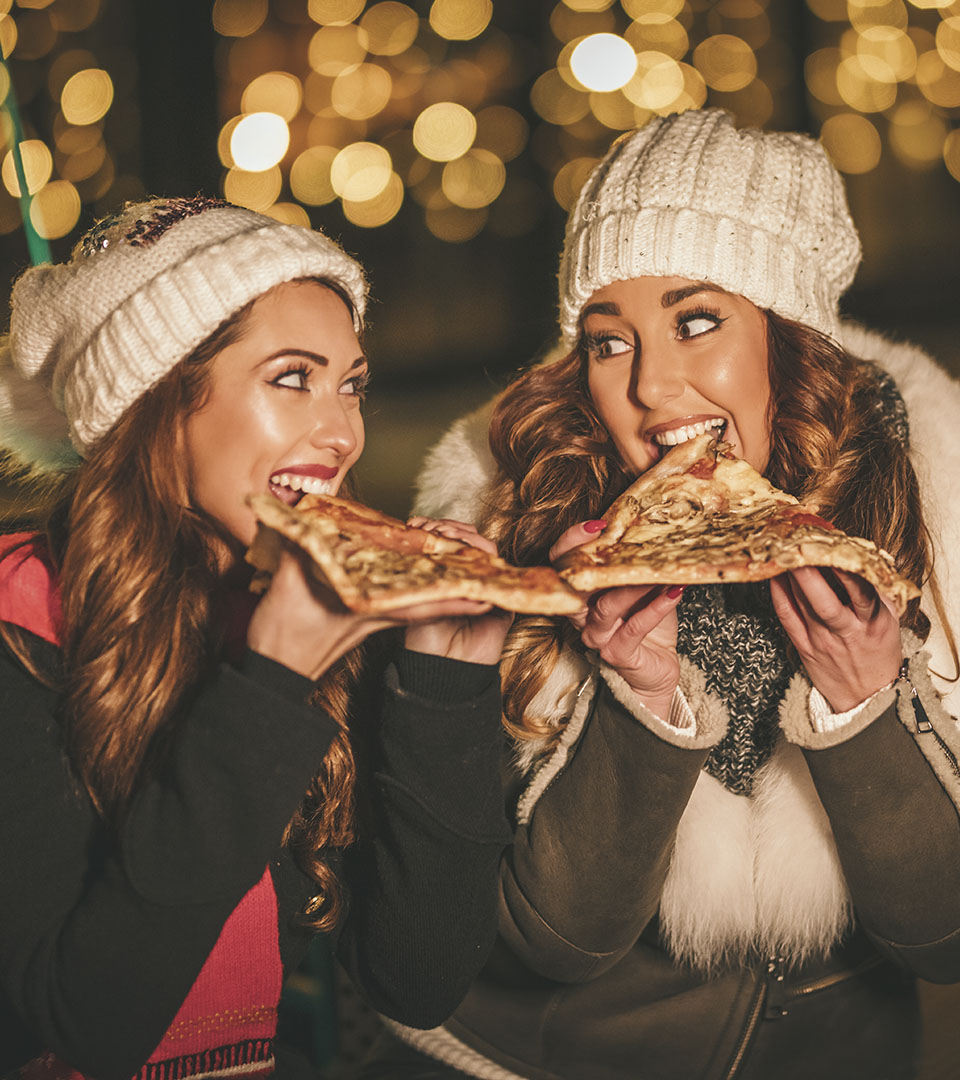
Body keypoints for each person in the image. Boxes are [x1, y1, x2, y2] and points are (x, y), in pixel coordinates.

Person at [361, 109, 960, 1079]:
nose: (649, 387)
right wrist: (638, 697)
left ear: (791, 335)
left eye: (696, 321)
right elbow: (560, 940)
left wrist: (868, 701)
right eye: (608, 342)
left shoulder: (932, 498)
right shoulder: (525, 515)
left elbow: (943, 942)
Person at [0, 196, 512, 1079]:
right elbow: (84, 1022)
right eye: (291, 377)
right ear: (157, 400)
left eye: (351, 384)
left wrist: (446, 681)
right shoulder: (20, 637)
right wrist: (267, 685)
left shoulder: (304, 612)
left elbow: (415, 981)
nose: (343, 432)